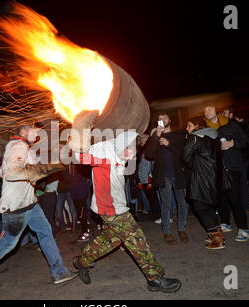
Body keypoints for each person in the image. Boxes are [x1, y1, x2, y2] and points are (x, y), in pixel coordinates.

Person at [69, 111, 181, 293]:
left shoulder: (114, 148)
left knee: (110, 240)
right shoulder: (101, 150)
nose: (133, 146)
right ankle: (155, 278)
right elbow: (78, 157)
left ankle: (81, 261)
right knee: (137, 240)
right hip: (111, 208)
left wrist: (124, 156)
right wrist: (79, 129)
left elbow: (117, 159)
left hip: (114, 205)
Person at [0, 125, 77, 298]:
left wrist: (48, 165)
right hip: (16, 206)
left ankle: (59, 271)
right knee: (7, 244)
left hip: (30, 203)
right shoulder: (18, 146)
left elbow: (3, 171)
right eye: (35, 130)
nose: (38, 134)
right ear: (24, 131)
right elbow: (10, 173)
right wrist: (42, 170)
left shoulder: (21, 147)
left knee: (45, 232)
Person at [205, 105, 249, 241]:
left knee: (235, 198)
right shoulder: (206, 130)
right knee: (221, 198)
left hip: (232, 167)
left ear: (216, 111)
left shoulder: (231, 126)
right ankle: (225, 222)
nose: (207, 112)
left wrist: (232, 143)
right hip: (216, 169)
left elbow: (245, 142)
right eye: (205, 110)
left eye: (210, 109)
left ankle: (244, 228)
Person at [144, 113, 189, 244]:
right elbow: (149, 155)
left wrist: (169, 144)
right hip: (164, 176)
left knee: (182, 203)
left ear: (169, 120)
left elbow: (184, 154)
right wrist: (157, 135)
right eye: (160, 119)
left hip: (178, 174)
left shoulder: (178, 135)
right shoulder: (156, 137)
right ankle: (167, 232)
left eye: (164, 118)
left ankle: (181, 228)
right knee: (166, 204)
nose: (162, 121)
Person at [183, 117, 226, 249]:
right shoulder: (213, 138)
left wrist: (193, 166)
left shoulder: (195, 138)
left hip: (200, 177)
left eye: (189, 126)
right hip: (213, 178)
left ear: (196, 126)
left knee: (200, 207)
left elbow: (185, 157)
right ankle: (215, 232)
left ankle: (217, 239)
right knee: (207, 206)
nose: (187, 129)